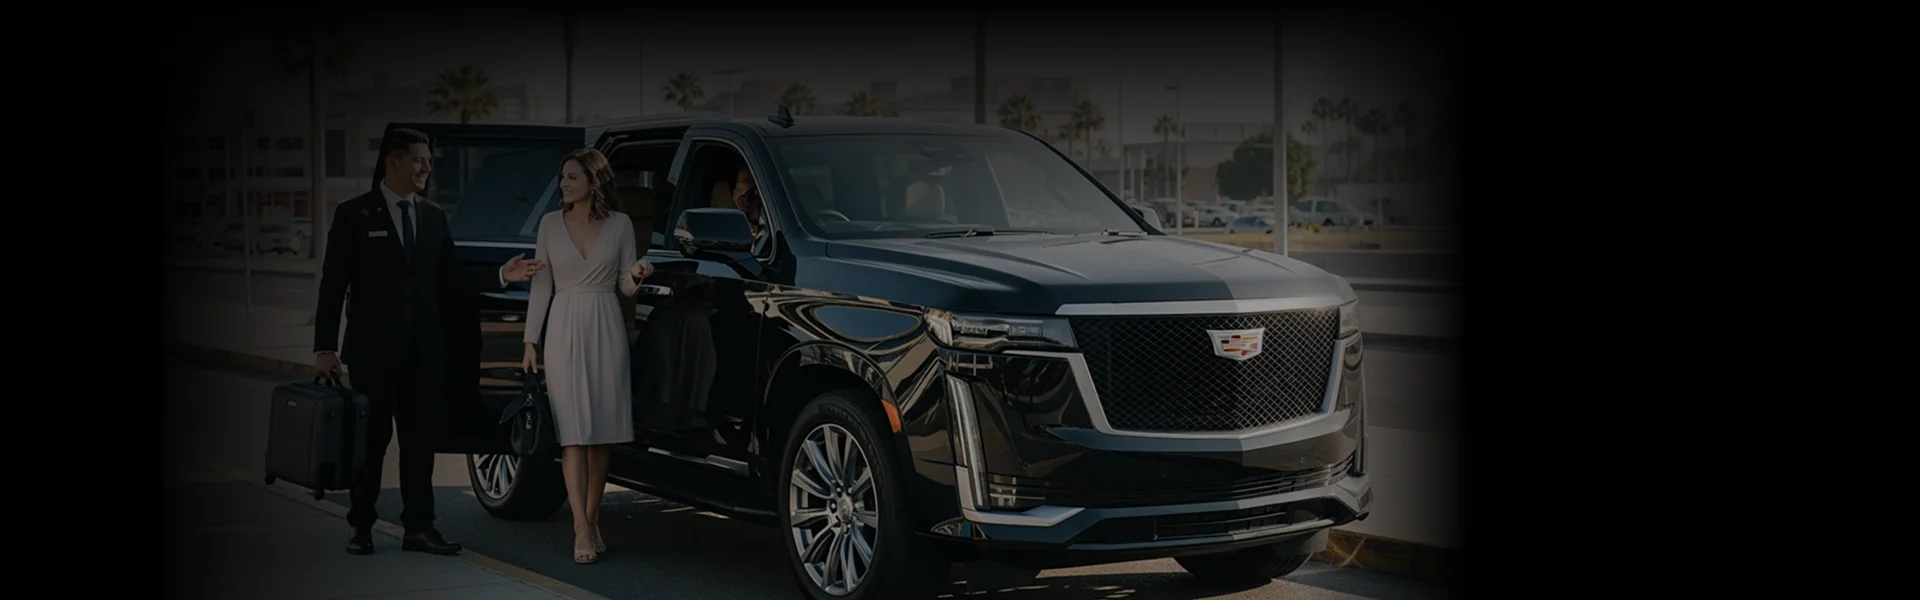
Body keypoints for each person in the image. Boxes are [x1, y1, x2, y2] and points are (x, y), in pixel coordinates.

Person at [314, 127, 544, 557]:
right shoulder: (355, 214)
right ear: (393, 162)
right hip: (372, 352)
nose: (426, 167)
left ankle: (419, 528)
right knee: (372, 442)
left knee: (420, 444)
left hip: (424, 354)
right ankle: (360, 525)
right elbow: (332, 284)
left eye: (428, 161)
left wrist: (501, 275)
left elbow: (453, 280)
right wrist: (324, 347)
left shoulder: (434, 215)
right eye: (419, 159)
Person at [520, 147, 653, 565]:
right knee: (573, 434)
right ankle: (580, 524)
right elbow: (541, 286)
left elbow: (625, 285)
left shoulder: (621, 224)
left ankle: (593, 517)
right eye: (562, 177)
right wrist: (530, 340)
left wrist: (637, 274)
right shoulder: (548, 224)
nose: (563, 184)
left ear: (594, 182)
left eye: (572, 177)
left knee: (601, 435)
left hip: (606, 326)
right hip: (562, 326)